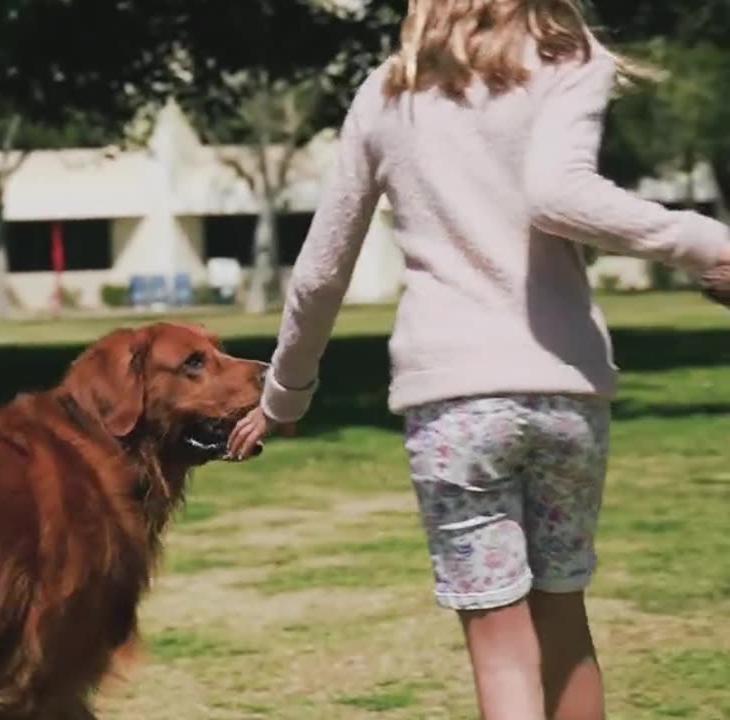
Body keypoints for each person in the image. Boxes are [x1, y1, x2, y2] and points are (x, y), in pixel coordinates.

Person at [225, 1, 730, 719]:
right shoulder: (569, 58)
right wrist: (704, 244)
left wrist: (285, 396)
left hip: (454, 406)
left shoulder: (388, 91)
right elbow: (562, 192)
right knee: (565, 626)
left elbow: (319, 274)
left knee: (501, 651)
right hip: (564, 396)